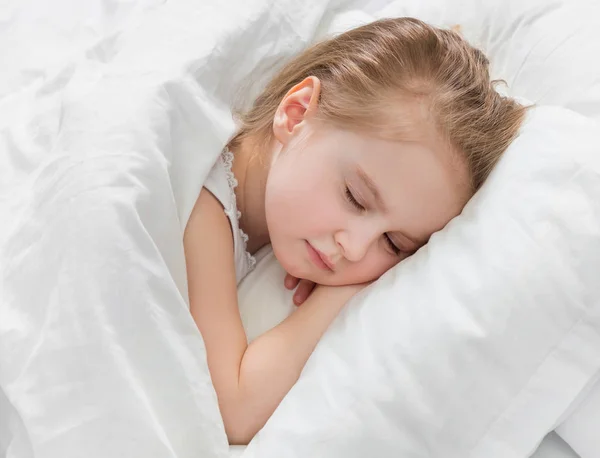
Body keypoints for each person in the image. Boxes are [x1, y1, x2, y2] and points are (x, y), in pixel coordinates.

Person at [183, 17, 526, 444]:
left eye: (394, 243)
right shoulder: (201, 206)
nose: (356, 247)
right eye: (356, 197)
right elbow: (233, 407)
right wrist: (337, 299)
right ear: (295, 115)